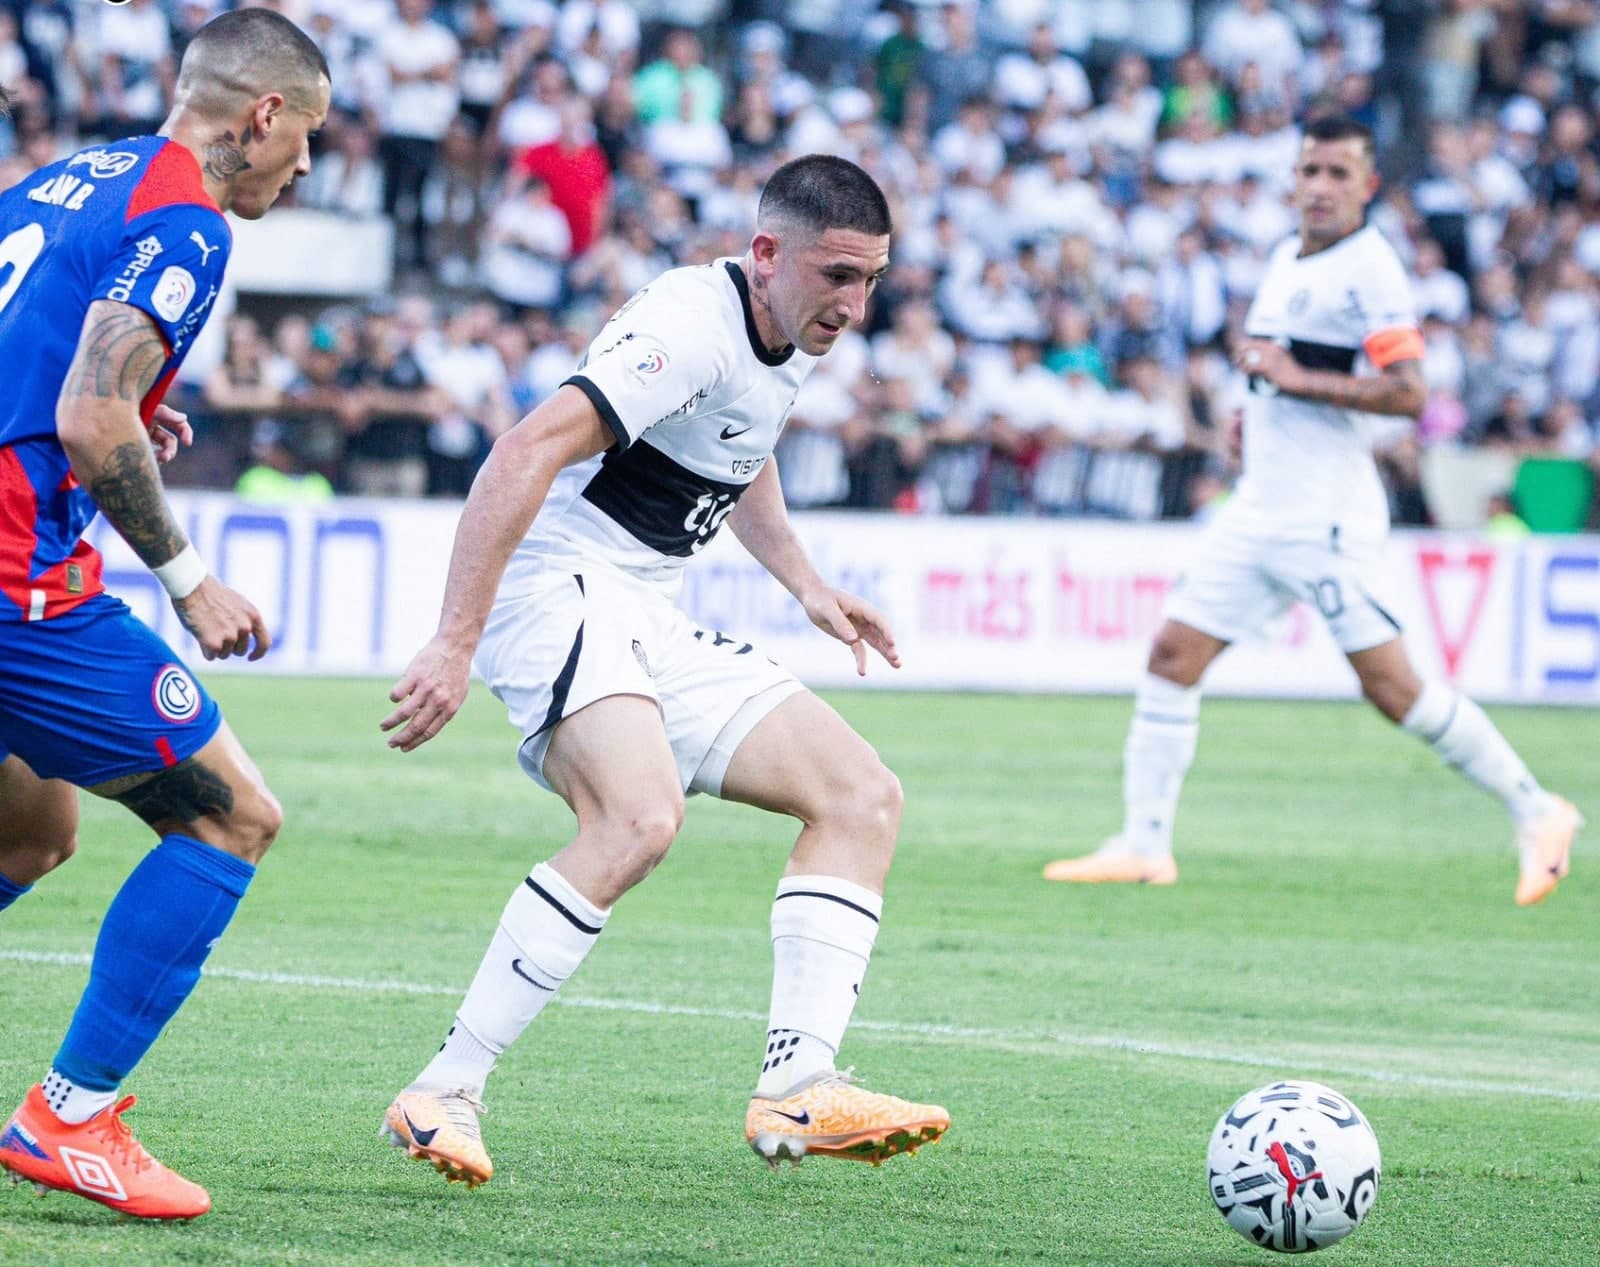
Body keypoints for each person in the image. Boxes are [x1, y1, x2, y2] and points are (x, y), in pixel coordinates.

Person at [377, 154, 948, 1186]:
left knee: (861, 795)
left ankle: (797, 1087)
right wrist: (455, 639)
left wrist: (804, 582)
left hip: (644, 608)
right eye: (839, 276)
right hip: (556, 587)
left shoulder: (789, 326)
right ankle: (444, 1087)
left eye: (872, 280)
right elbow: (522, 451)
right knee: (637, 818)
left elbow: (745, 435)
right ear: (767, 253)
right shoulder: (688, 323)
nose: (857, 306)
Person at [1043, 115, 1581, 906]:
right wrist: (1254, 407)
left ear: (1366, 186)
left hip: (1323, 519)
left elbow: (1408, 392)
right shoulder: (1286, 256)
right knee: (1171, 658)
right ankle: (1144, 844)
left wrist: (1293, 382)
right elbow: (1281, 367)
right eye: (1311, 171)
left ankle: (1538, 808)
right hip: (1260, 503)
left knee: (1394, 689)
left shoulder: (1372, 271)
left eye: (1339, 174)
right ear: (1292, 179)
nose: (1322, 187)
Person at [0, 11, 329, 1220]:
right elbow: (92, 421)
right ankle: (68, 1117)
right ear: (265, 116)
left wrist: (118, 403)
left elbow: (62, 373)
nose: (304, 170)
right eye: (309, 138)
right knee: (233, 814)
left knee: (27, 837)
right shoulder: (182, 217)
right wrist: (191, 579)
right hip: (14, 581)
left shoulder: (63, 178)